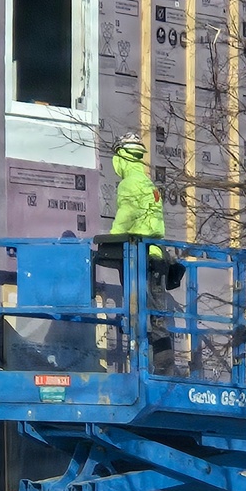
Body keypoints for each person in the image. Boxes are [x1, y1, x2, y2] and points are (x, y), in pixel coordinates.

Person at [109, 133, 176, 375]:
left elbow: (125, 216)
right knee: (157, 313)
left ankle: (137, 360)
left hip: (138, 257)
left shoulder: (129, 184)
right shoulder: (148, 184)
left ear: (120, 157)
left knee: (135, 309)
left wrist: (111, 238)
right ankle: (164, 364)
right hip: (156, 254)